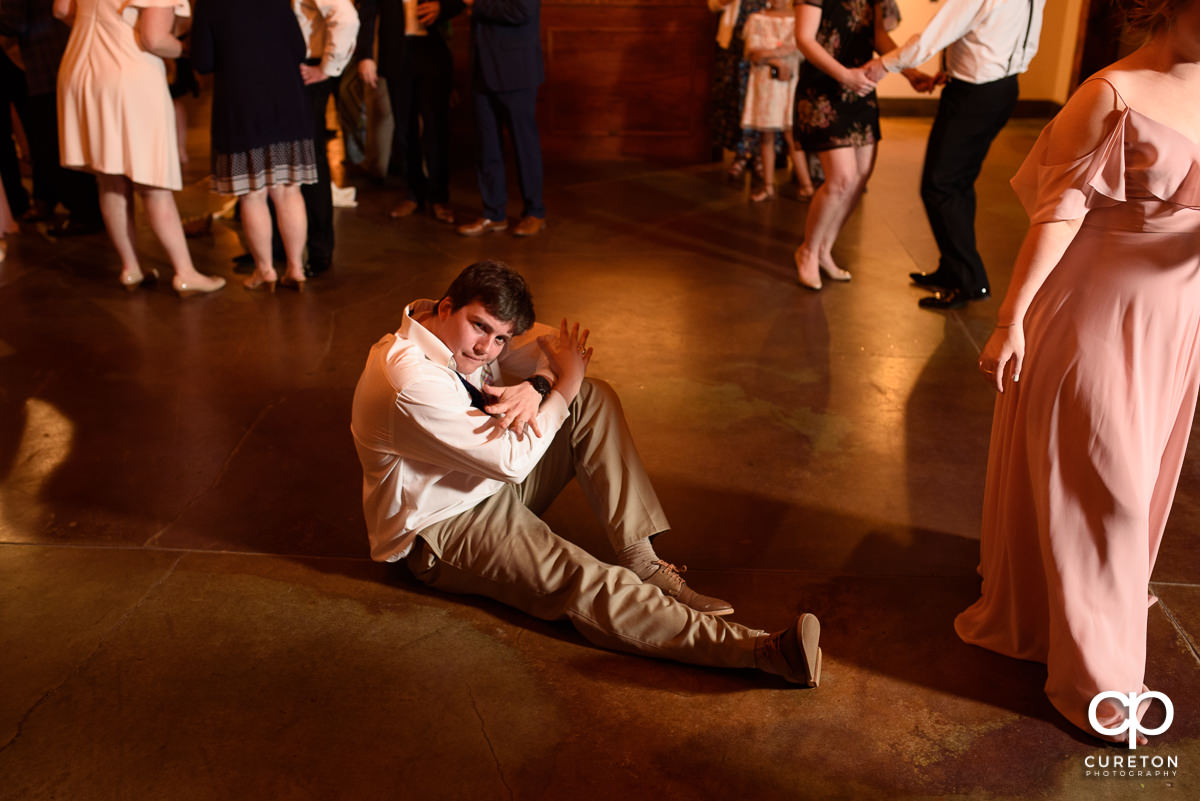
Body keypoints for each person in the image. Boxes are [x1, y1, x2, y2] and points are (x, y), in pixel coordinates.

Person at [351, 260, 823, 685]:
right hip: (444, 524)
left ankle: (641, 558)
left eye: (499, 337)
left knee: (590, 398)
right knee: (584, 579)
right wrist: (563, 382)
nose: (487, 347)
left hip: (486, 481)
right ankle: (759, 650)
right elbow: (512, 461)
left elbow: (556, 344)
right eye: (479, 327)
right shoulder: (408, 380)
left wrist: (538, 385)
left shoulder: (452, 330)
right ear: (447, 306)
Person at [958, 0, 1200, 744]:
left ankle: (1072, 609)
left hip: (1175, 320)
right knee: (1111, 490)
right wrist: (1010, 320)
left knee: (1123, 482)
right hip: (1093, 313)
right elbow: (1057, 214)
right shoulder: (1110, 93)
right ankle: (1100, 684)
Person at [865, 0, 1045, 310]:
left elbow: (932, 37)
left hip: (975, 93)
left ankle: (968, 279)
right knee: (957, 183)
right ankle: (952, 268)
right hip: (1001, 87)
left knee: (940, 185)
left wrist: (883, 65)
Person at [54, 0, 225, 295]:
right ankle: (185, 272)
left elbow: (61, 10)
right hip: (128, 73)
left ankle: (130, 267)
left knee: (109, 177)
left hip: (80, 66)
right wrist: (185, 50)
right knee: (152, 180)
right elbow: (154, 38)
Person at [792, 0, 927, 290]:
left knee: (860, 176)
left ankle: (824, 250)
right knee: (842, 178)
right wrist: (845, 76)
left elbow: (878, 36)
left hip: (860, 88)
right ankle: (807, 250)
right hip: (825, 88)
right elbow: (803, 37)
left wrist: (910, 72)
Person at [192, 0, 316, 292]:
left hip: (241, 105)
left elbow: (203, 61)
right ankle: (296, 269)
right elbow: (300, 49)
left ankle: (265, 270)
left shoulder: (210, 5)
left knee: (252, 194)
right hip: (286, 101)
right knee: (288, 189)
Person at [0, 0, 103, 236]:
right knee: (64, 137)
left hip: (45, 64)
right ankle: (66, 203)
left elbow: (13, 21)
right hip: (65, 57)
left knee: (55, 141)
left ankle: (84, 211)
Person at [357, 0, 463, 224]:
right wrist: (365, 56)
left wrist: (442, 8)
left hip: (433, 54)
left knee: (436, 129)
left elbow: (460, 3)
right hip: (397, 54)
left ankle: (439, 197)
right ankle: (414, 194)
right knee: (404, 130)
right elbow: (367, 11)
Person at [455, 0, 546, 238]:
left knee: (524, 145)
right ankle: (493, 213)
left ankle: (534, 212)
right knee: (487, 147)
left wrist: (477, 4)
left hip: (517, 69)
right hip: (482, 69)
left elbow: (521, 11)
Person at [291, 0, 359, 278]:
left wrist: (327, 67)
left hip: (308, 69)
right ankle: (279, 247)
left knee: (311, 161)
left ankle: (319, 251)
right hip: (288, 68)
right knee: (283, 159)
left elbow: (346, 18)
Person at [740, 0, 813, 202]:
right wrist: (777, 60)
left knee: (792, 134)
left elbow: (802, 49)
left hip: (792, 80)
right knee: (767, 135)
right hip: (766, 82)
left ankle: (807, 185)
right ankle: (768, 185)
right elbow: (753, 52)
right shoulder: (757, 18)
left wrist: (772, 54)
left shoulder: (800, 17)